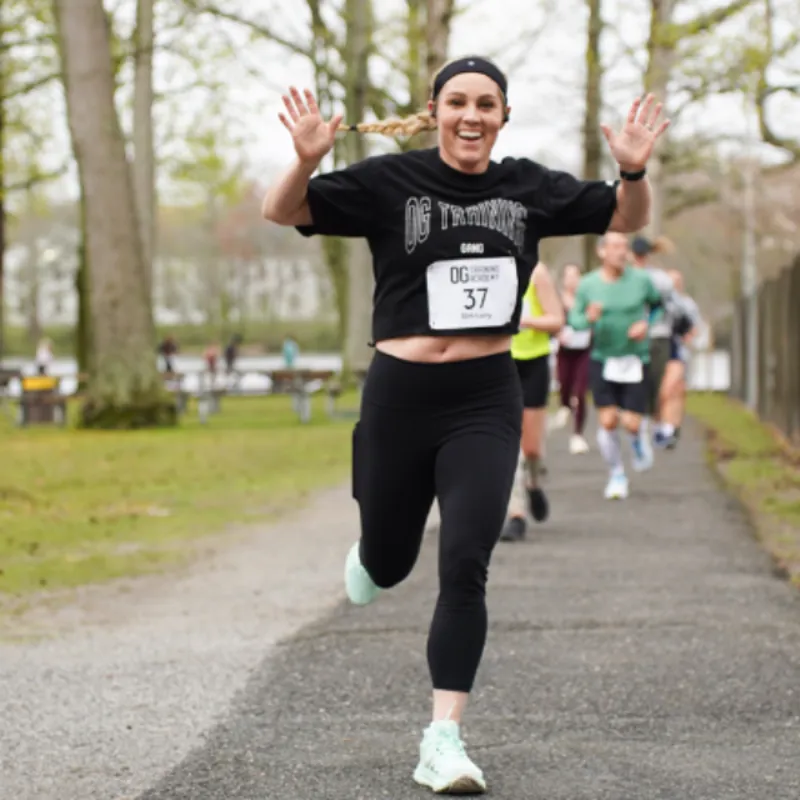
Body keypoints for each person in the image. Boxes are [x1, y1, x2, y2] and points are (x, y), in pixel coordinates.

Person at [262, 56, 667, 794]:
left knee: (466, 561)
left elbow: (621, 217)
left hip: (485, 395)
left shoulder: (529, 188)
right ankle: (376, 553)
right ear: (434, 109)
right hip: (399, 396)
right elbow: (284, 210)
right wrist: (305, 162)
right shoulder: (390, 182)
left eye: (487, 103)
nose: (472, 115)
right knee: (389, 563)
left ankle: (442, 738)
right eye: (458, 102)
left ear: (503, 116)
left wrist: (633, 174)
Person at [569, 232, 663, 500]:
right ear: (602, 251)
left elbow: (658, 307)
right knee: (608, 420)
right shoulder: (588, 285)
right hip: (603, 358)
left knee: (632, 423)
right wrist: (588, 317)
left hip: (635, 359)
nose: (622, 252)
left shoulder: (642, 281)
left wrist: (646, 324)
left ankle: (636, 440)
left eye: (625, 247)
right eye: (616, 246)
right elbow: (575, 320)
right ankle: (616, 474)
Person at [499, 261, 564, 543]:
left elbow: (557, 321)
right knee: (509, 442)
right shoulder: (487, 267)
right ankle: (516, 514)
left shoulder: (536, 272)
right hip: (501, 362)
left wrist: (524, 321)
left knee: (532, 448)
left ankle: (534, 483)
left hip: (534, 364)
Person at [628, 235, 679, 453]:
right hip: (631, 339)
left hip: (657, 337)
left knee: (658, 384)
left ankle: (657, 426)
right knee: (636, 383)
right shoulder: (625, 278)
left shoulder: (660, 279)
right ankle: (641, 426)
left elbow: (669, 308)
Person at [654, 268, 701, 449]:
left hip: (679, 353)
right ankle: (663, 425)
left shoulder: (687, 304)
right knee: (662, 391)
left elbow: (694, 328)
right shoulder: (659, 302)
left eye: (677, 281)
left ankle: (672, 427)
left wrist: (686, 336)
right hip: (660, 351)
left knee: (675, 389)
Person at [552, 262, 592, 454]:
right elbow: (549, 320)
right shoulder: (556, 298)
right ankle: (565, 406)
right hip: (565, 349)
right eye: (568, 276)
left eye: (576, 276)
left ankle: (577, 435)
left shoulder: (587, 298)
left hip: (585, 349)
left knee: (581, 391)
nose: (572, 280)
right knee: (565, 385)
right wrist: (556, 333)